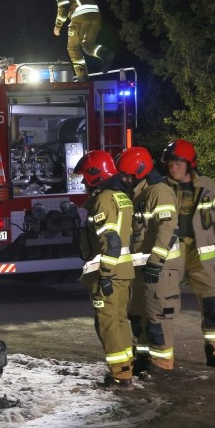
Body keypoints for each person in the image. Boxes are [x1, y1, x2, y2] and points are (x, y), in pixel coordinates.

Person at [162, 139, 215, 369]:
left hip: (201, 252)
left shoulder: (208, 186)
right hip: (172, 252)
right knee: (161, 304)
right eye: (169, 163)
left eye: (177, 163)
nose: (172, 167)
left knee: (213, 301)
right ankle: (159, 358)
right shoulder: (160, 187)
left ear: (189, 164)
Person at [116, 147, 181, 377]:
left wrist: (156, 260)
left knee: (157, 318)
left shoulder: (159, 193)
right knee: (139, 316)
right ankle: (143, 359)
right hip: (142, 267)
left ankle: (162, 366)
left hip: (160, 268)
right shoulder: (139, 193)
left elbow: (167, 229)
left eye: (127, 174)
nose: (124, 179)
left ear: (140, 171)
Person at [74, 150, 135, 389]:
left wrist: (106, 274)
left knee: (108, 324)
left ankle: (120, 376)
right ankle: (126, 369)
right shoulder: (122, 197)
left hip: (110, 273)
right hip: (125, 272)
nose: (82, 182)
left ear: (94, 174)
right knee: (120, 321)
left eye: (85, 177)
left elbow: (111, 241)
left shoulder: (103, 200)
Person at [46, 0, 114, 81]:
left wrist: (58, 26)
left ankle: (82, 76)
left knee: (73, 48)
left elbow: (63, 6)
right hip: (95, 15)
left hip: (79, 17)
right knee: (87, 46)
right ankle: (105, 54)